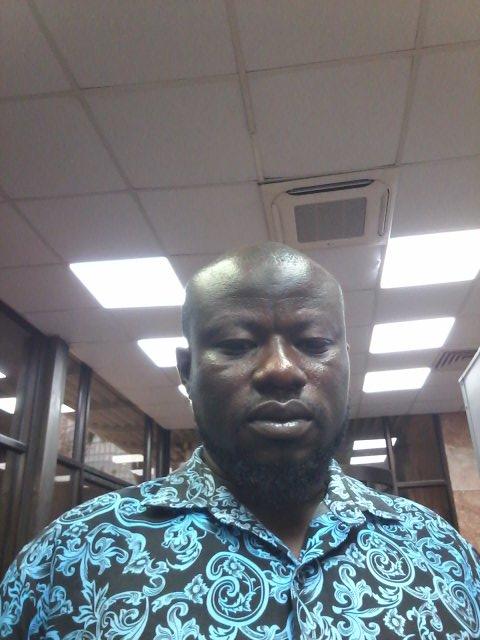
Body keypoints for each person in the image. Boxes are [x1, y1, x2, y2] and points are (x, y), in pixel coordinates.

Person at [1, 242, 479, 639]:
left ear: (347, 366)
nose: (281, 370)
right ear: (187, 371)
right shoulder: (69, 558)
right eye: (236, 345)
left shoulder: (440, 551)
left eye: (314, 344)